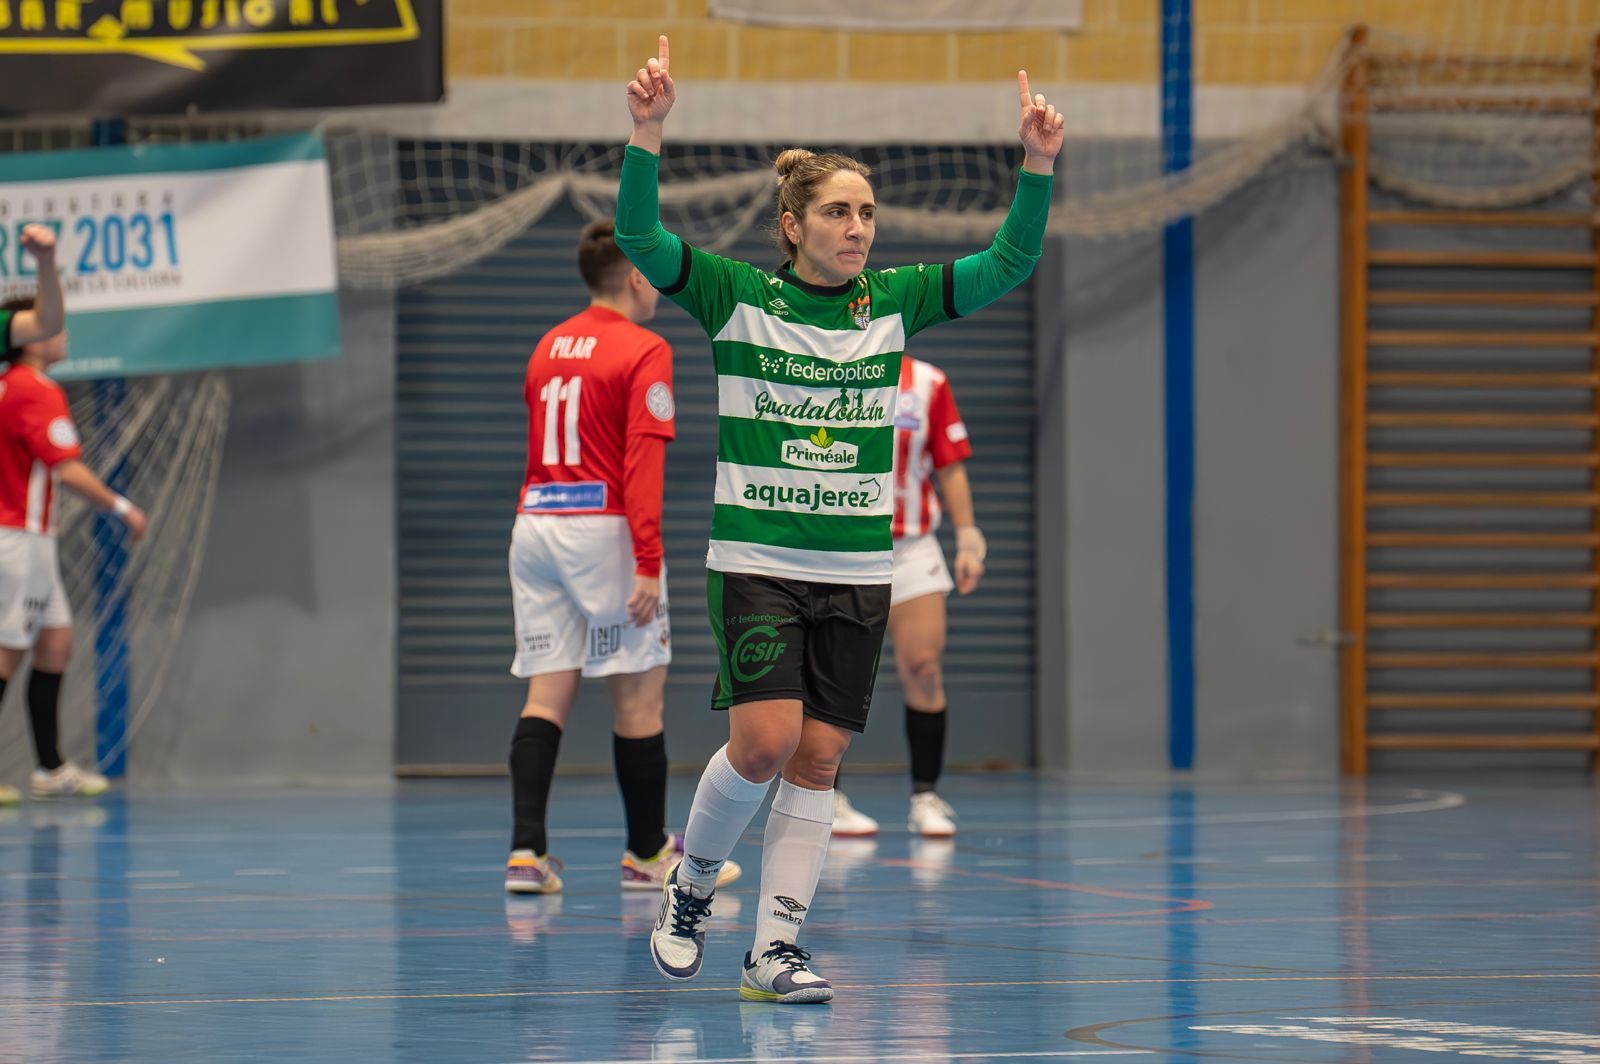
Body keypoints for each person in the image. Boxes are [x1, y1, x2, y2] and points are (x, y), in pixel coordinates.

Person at [615, 35, 1062, 1003]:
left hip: (863, 571)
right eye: (836, 211)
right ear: (792, 223)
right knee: (766, 740)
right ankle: (689, 882)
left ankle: (775, 949)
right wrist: (647, 133)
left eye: (865, 211)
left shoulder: (894, 304)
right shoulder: (738, 296)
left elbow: (1012, 260)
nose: (856, 226)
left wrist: (1034, 163)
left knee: (821, 755)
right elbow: (644, 246)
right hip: (758, 560)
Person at [503, 220, 740, 896]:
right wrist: (646, 557)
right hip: (602, 532)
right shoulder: (644, 348)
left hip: (537, 521)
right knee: (639, 695)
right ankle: (645, 852)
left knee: (547, 690)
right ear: (637, 274)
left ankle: (526, 852)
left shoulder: (549, 344)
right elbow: (640, 463)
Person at [0, 224, 149, 804]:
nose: (63, 332)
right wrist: (122, 507)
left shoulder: (16, 384)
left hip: (31, 538)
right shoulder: (33, 388)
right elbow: (66, 468)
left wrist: (46, 261)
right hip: (17, 537)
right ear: (28, 337)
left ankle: (50, 766)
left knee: (55, 642)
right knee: (9, 651)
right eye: (50, 326)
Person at [830, 356, 986, 840]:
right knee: (837, 674)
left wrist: (967, 534)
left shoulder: (928, 381)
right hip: (842, 546)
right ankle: (823, 797)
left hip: (912, 546)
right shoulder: (826, 367)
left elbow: (950, 463)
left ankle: (925, 796)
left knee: (923, 666)